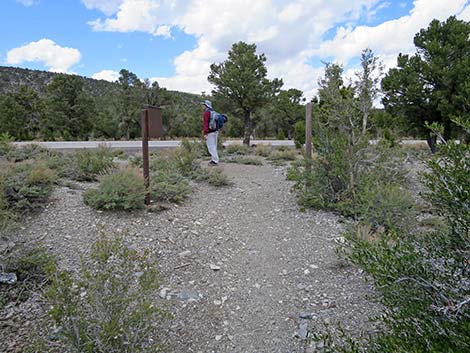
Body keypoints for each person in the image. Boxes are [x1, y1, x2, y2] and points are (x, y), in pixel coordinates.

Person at [201, 100, 219, 165]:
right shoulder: (213, 112)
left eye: (203, 105)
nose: (202, 106)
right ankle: (214, 159)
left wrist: (205, 133)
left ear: (206, 105)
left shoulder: (206, 113)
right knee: (214, 146)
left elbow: (205, 123)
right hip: (215, 131)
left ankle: (215, 161)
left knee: (211, 147)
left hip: (209, 132)